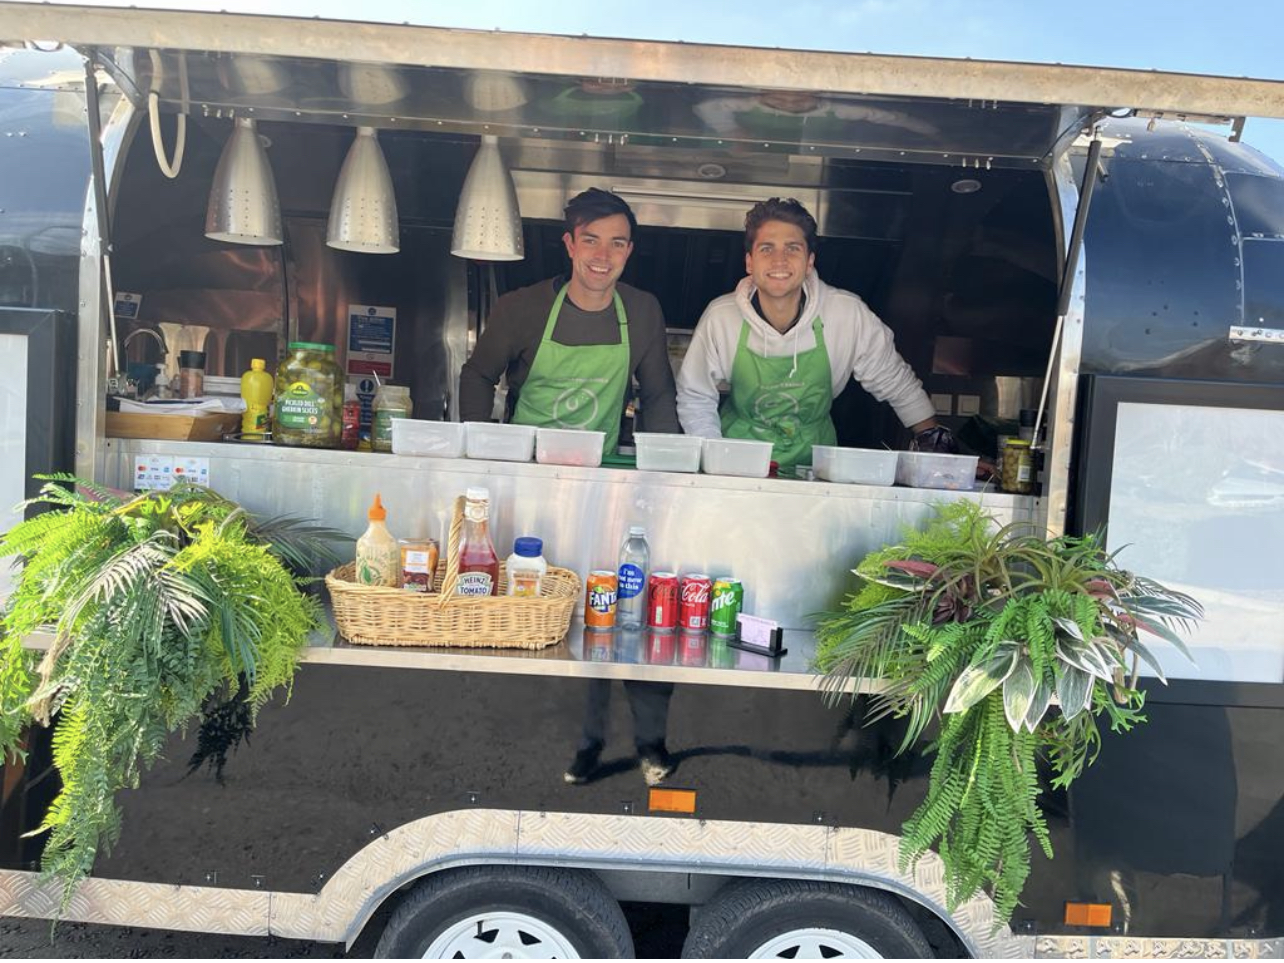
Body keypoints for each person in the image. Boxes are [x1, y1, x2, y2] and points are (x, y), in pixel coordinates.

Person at [676, 197, 952, 472]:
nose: (779, 260)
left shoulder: (846, 314)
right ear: (749, 262)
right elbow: (695, 396)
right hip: (737, 463)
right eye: (767, 248)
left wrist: (935, 445)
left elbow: (895, 380)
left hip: (816, 469)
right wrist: (716, 463)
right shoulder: (721, 317)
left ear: (809, 262)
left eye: (792, 248)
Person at [458, 188, 679, 453]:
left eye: (617, 243)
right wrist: (478, 450)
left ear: (629, 251)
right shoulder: (520, 308)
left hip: (600, 473)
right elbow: (478, 375)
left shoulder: (643, 311)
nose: (603, 256)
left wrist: (665, 468)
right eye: (590, 240)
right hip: (524, 465)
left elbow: (658, 395)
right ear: (570, 245)